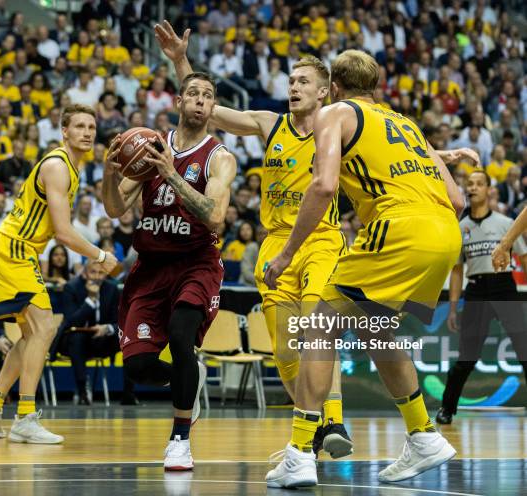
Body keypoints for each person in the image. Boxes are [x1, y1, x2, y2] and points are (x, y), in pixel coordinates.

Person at [156, 22, 479, 461]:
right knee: (290, 348)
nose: (293, 87)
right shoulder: (269, 124)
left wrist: (440, 156)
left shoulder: (336, 127)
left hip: (322, 239)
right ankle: (321, 430)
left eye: (303, 81)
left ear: (327, 91)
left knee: (320, 325)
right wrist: (180, 60)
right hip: (277, 240)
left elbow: (379, 155)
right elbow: (206, 111)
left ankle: (329, 425)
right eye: (290, 80)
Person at [263, 50, 465, 488]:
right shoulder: (407, 123)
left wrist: (285, 254)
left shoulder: (334, 113)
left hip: (398, 227)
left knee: (319, 326)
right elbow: (459, 200)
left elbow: (325, 185)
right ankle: (423, 435)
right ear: (376, 87)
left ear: (333, 86)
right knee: (376, 329)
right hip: (446, 232)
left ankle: (299, 452)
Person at [102, 71, 236, 470]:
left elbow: (215, 217)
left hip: (196, 262)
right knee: (139, 367)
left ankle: (180, 440)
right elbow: (114, 208)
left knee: (181, 336)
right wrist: (111, 173)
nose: (199, 100)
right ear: (178, 102)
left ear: (212, 108)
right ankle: (187, 379)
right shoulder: (149, 147)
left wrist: (172, 174)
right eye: (192, 93)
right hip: (151, 266)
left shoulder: (220, 157)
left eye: (207, 96)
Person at [0, 104, 118, 444]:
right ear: (64, 131)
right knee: (44, 329)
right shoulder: (57, 166)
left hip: (18, 250)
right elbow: (65, 233)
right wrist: (100, 255)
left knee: (30, 334)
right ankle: (24, 416)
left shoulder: (71, 168)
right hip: (14, 248)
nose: (87, 132)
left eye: (92, 127)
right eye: (79, 126)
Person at [437, 170, 527, 425]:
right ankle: (446, 408)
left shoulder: (506, 223)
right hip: (475, 290)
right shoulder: (461, 227)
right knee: (467, 356)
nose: (473, 188)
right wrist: (453, 307)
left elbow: (524, 258)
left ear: (489, 190)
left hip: (504, 288)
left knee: (524, 350)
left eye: (479, 184)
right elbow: (457, 271)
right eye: (469, 184)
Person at [49, 260, 121, 405]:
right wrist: (91, 300)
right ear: (85, 273)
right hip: (72, 341)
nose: (96, 277)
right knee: (77, 338)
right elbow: (71, 321)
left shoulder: (112, 289)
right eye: (93, 272)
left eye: (101, 273)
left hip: (100, 339)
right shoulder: (71, 287)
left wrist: (107, 328)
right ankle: (82, 389)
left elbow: (119, 321)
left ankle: (128, 394)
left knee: (126, 338)